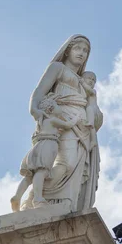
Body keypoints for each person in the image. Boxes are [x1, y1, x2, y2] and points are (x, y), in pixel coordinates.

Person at [21, 35, 103, 213]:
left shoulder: (84, 81)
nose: (81, 53)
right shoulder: (58, 68)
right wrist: (35, 109)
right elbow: (39, 91)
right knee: (65, 164)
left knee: (73, 166)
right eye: (78, 48)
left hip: (81, 127)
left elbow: (93, 109)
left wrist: (92, 102)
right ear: (68, 50)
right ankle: (36, 197)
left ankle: (60, 200)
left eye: (85, 51)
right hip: (63, 120)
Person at [10, 94, 77, 211]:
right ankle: (38, 199)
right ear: (50, 109)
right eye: (56, 105)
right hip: (48, 145)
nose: (58, 107)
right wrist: (76, 118)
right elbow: (68, 125)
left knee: (29, 176)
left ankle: (17, 196)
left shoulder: (42, 121)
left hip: (38, 146)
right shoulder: (53, 120)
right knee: (41, 172)